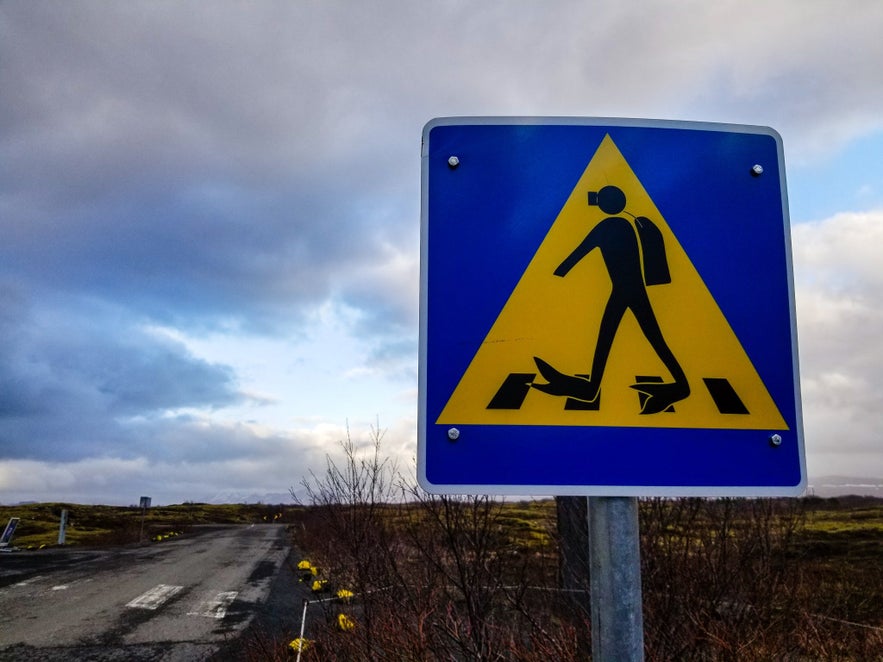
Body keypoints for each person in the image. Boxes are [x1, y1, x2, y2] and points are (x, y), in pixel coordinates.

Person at [531, 185, 689, 414]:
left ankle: (680, 386)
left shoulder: (608, 227)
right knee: (644, 337)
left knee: (634, 337)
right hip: (629, 290)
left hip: (627, 291)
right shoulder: (630, 225)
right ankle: (594, 387)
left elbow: (578, 253)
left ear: (605, 205)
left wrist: (553, 276)